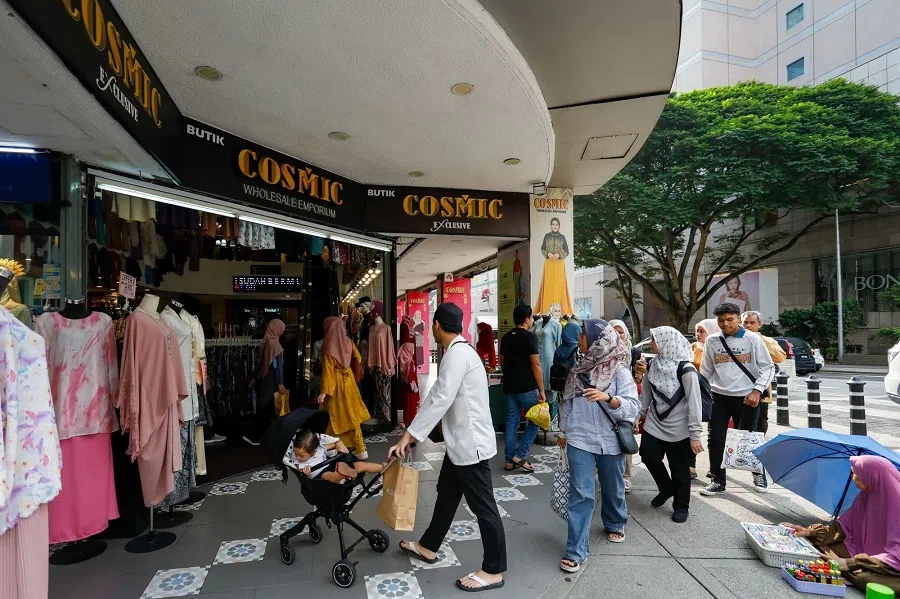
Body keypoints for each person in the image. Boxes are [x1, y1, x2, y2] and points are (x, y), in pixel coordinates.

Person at [389, 302, 507, 592]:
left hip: (470, 447)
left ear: (437, 326)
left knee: (484, 508)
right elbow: (437, 396)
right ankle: (428, 546)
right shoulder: (460, 352)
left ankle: (493, 570)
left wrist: (410, 435)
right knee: (446, 495)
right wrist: (411, 434)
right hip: (460, 445)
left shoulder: (456, 355)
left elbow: (440, 399)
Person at [557, 319, 640, 573]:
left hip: (610, 440)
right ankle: (576, 550)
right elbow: (568, 403)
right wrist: (563, 431)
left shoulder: (619, 371)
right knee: (581, 494)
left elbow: (633, 407)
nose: (579, 337)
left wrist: (610, 399)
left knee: (612, 486)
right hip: (580, 438)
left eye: (583, 333)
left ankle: (615, 521)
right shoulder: (577, 370)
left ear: (598, 339)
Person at [780, 455, 900, 594]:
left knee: (866, 579)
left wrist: (851, 563)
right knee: (817, 549)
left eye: (856, 474)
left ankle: (846, 570)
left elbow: (895, 557)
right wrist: (810, 532)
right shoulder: (866, 494)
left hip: (890, 566)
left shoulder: (896, 504)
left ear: (872, 477)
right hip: (861, 551)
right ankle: (844, 569)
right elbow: (844, 528)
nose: (853, 477)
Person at [700, 303, 775, 497]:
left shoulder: (753, 339)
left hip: (747, 397)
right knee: (715, 439)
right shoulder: (712, 341)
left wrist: (757, 391)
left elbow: (768, 367)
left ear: (738, 318)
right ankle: (717, 480)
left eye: (730, 319)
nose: (725, 324)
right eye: (721, 320)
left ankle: (758, 474)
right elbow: (706, 371)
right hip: (718, 396)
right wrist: (701, 393)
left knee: (750, 438)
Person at [638, 327, 704, 523]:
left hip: (680, 427)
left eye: (654, 339)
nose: (651, 343)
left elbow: (694, 403)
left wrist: (695, 435)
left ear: (667, 342)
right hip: (655, 422)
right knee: (647, 455)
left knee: (680, 468)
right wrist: (637, 416)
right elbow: (646, 395)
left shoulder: (686, 369)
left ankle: (681, 505)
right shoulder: (652, 365)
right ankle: (666, 487)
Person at [741, 310, 785, 492]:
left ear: (759, 324)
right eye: (745, 323)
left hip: (759, 395)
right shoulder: (735, 340)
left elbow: (780, 357)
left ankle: (758, 473)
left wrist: (759, 340)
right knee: (726, 435)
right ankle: (718, 474)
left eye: (752, 323)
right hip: (734, 393)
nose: (748, 326)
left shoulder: (766, 341)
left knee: (757, 435)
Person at [499, 304, 545, 472]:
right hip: (527, 387)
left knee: (512, 421)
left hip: (510, 386)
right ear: (526, 319)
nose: (532, 320)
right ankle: (520, 455)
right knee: (536, 421)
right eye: (531, 317)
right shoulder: (530, 337)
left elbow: (502, 362)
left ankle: (509, 460)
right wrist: (542, 390)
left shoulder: (506, 337)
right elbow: (536, 366)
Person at [318, 316, 371, 459]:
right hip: (350, 382)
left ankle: (332, 447)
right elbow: (358, 357)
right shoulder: (348, 341)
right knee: (351, 414)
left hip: (336, 385)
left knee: (336, 416)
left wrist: (324, 392)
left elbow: (328, 372)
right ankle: (359, 448)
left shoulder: (327, 346)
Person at [609, 319, 646, 493]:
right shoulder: (602, 350)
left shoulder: (634, 352)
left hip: (628, 399)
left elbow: (640, 381)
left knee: (625, 436)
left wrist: (640, 373)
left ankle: (626, 476)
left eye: (621, 331)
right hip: (607, 399)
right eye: (613, 331)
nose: (617, 334)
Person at [287, 429, 383, 483]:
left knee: (361, 465)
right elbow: (299, 471)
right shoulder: (297, 461)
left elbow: (335, 443)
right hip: (320, 475)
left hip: (332, 465)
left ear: (313, 452)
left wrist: (340, 445)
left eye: (301, 455)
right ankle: (342, 474)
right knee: (326, 476)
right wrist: (305, 472)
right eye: (295, 453)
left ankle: (385, 467)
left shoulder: (320, 449)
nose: (298, 457)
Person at [246, 319, 286, 445]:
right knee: (267, 408)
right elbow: (277, 366)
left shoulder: (266, 341)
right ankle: (257, 436)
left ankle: (260, 436)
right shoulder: (275, 344)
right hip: (272, 380)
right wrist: (280, 383)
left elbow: (259, 363)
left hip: (265, 379)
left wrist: (254, 378)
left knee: (265, 406)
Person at [691, 318, 720, 479]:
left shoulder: (717, 348)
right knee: (691, 428)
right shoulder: (693, 347)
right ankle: (691, 466)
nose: (698, 334)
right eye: (697, 331)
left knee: (714, 434)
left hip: (713, 393)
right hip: (694, 392)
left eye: (702, 331)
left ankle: (715, 467)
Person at [535, 217, 574, 315]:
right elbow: (542, 248)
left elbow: (567, 251)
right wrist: (547, 254)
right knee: (548, 285)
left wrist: (559, 255)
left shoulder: (562, 237)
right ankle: (546, 310)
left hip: (559, 263)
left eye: (556, 224)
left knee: (559, 285)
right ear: (550, 225)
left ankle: (560, 311)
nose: (555, 226)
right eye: (553, 224)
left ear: (559, 226)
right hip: (548, 263)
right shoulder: (547, 236)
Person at [551, 320, 582, 431]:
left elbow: (554, 363)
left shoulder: (559, 349)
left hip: (561, 385)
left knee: (563, 409)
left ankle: (563, 430)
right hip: (575, 386)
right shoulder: (579, 349)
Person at [397, 323, 420, 424]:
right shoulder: (410, 362)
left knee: (407, 405)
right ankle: (411, 421)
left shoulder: (404, 360)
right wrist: (414, 387)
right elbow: (411, 376)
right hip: (412, 388)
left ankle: (407, 420)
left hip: (407, 386)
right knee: (411, 405)